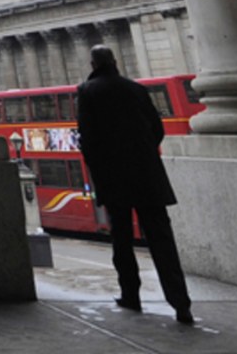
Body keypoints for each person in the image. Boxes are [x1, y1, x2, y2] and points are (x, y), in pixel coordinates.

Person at [76, 45, 193, 324]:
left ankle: (131, 295)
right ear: (115, 61)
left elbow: (87, 137)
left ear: (93, 64)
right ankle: (181, 303)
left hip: (114, 177)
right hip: (147, 175)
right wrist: (145, 155)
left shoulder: (88, 91)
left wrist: (100, 169)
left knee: (122, 240)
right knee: (162, 240)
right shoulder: (136, 89)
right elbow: (157, 128)